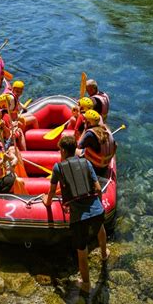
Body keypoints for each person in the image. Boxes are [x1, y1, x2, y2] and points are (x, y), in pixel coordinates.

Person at [42, 134, 108, 292]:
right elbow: (98, 188)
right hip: (97, 210)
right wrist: (96, 204)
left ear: (63, 151)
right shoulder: (86, 162)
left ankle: (86, 284)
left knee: (82, 251)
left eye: (60, 150)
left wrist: (47, 201)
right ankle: (104, 254)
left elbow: (51, 192)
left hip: (79, 217)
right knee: (100, 229)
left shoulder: (58, 167)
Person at [77, 109, 116, 178]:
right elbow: (115, 145)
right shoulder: (106, 128)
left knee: (74, 150)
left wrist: (85, 130)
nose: (83, 121)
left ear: (88, 123)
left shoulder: (89, 134)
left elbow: (79, 145)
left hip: (95, 166)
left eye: (85, 120)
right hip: (104, 166)